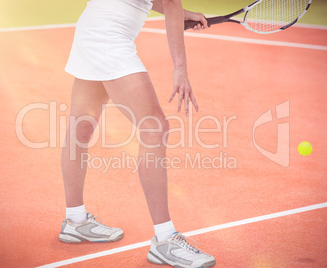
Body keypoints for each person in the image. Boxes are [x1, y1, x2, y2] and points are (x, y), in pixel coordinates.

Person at [59, 0, 216, 267]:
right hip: (109, 38)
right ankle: (165, 239)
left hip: (92, 30)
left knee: (80, 129)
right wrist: (180, 68)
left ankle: (75, 220)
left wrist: (182, 14)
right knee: (154, 127)